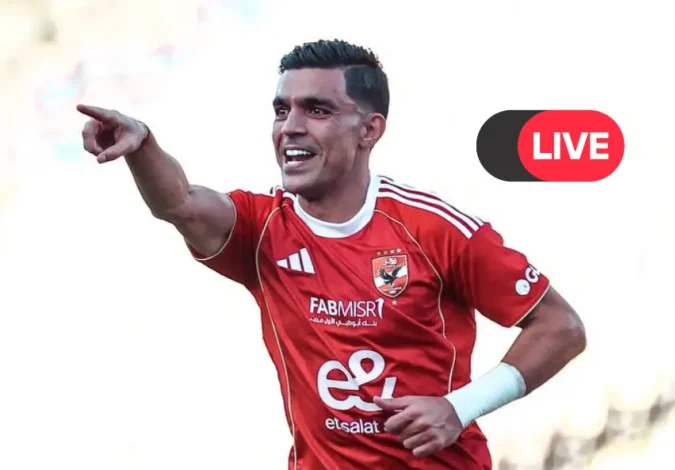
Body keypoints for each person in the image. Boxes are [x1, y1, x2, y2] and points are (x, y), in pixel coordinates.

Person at [77, 39, 586, 470]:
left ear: (370, 130)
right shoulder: (262, 228)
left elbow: (561, 326)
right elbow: (181, 204)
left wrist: (458, 408)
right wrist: (142, 145)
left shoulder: (434, 229)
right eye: (282, 110)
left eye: (317, 110)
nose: (290, 127)